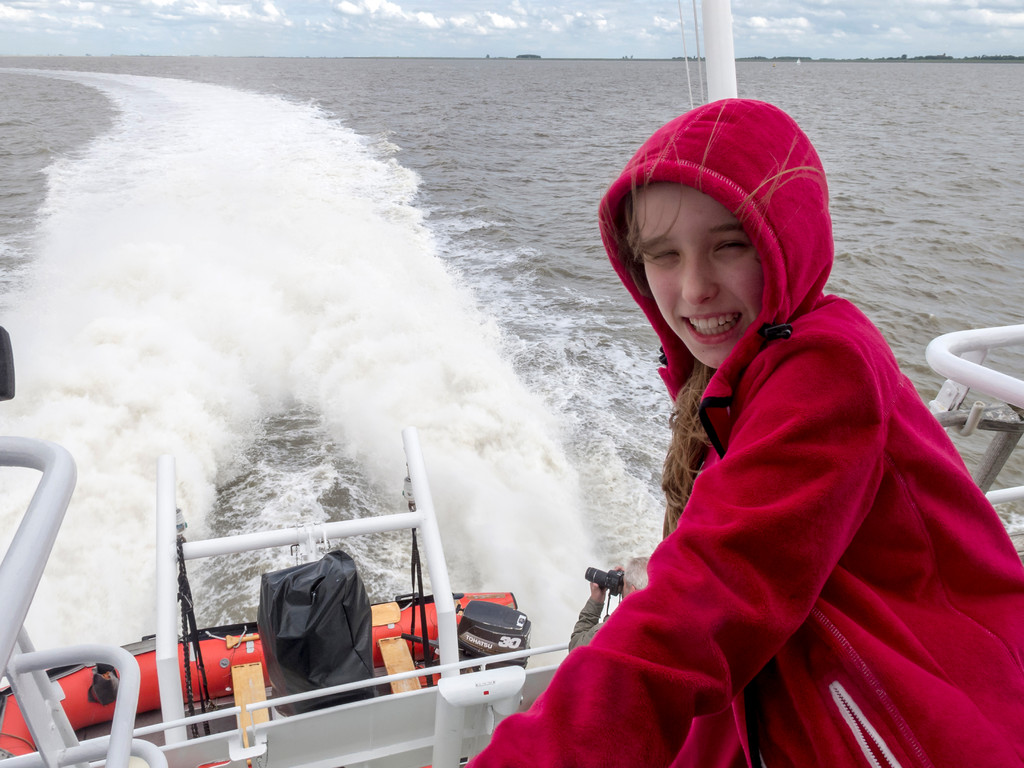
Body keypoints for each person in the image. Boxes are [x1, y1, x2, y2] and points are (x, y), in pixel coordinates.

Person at [468, 99, 1024, 767]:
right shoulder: (732, 383)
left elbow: (714, 594)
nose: (696, 287)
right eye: (664, 255)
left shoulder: (828, 369)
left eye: (730, 245)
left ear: (788, 241)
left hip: (917, 720)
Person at [568, 556, 649, 651]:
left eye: (624, 584)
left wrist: (595, 603)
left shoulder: (609, 631)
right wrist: (629, 578)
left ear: (632, 591)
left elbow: (575, 648)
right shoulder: (665, 621)